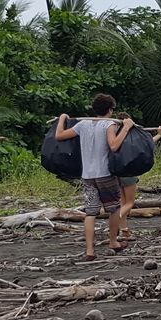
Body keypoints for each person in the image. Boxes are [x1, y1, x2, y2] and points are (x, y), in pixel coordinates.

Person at [55, 94, 136, 261]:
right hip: (105, 174)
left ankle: (90, 250)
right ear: (110, 110)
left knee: (90, 212)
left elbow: (59, 135)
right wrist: (126, 127)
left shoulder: (82, 125)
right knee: (114, 209)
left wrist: (62, 118)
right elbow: (114, 146)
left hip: (88, 176)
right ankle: (113, 242)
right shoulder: (109, 124)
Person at [113, 114, 161, 244]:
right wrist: (160, 134)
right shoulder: (131, 138)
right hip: (128, 172)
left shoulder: (116, 135)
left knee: (123, 203)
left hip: (117, 172)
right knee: (129, 203)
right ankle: (114, 221)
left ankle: (123, 229)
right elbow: (148, 143)